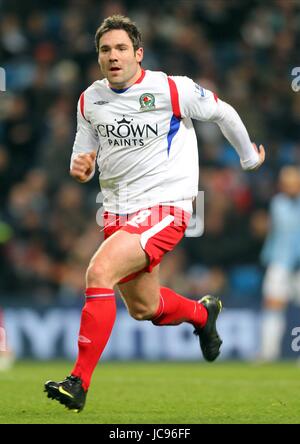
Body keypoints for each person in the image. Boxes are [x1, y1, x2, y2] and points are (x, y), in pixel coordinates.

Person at [44, 15, 265, 412]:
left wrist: (248, 157)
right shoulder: (89, 100)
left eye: (121, 48)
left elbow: (223, 112)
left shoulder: (169, 89)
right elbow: (83, 155)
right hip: (115, 211)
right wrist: (80, 168)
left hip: (167, 206)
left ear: (138, 54)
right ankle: (202, 313)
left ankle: (78, 382)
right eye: (105, 50)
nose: (113, 56)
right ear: (98, 58)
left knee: (98, 273)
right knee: (144, 308)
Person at [260, 166, 300, 361]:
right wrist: (267, 257)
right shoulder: (277, 204)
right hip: (280, 262)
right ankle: (268, 353)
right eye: (286, 183)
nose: (290, 187)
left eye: (293, 183)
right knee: (273, 307)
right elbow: (275, 235)